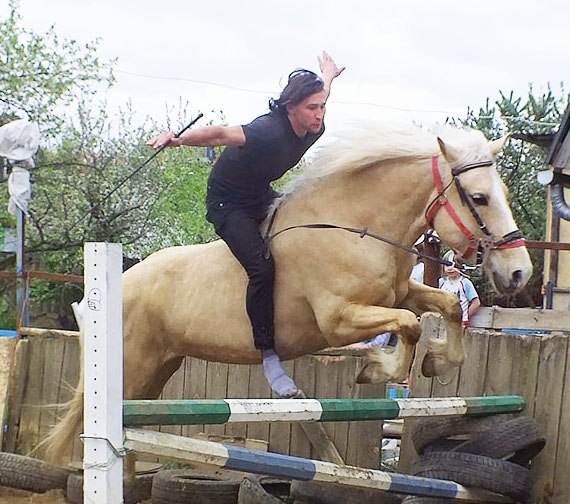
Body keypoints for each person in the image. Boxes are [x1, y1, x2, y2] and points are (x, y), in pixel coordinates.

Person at [147, 52, 345, 398]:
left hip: (260, 194)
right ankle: (269, 355)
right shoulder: (268, 131)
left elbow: (321, 93)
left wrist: (328, 76)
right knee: (261, 268)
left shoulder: (314, 124)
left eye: (322, 107)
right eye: (312, 108)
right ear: (291, 108)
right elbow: (221, 133)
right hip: (229, 204)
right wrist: (178, 139)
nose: (320, 114)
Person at [439, 250, 481, 327]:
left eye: (454, 266)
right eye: (447, 265)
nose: (450, 268)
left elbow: (476, 303)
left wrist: (465, 317)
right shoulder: (441, 282)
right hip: (442, 321)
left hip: (460, 323)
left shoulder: (465, 283)